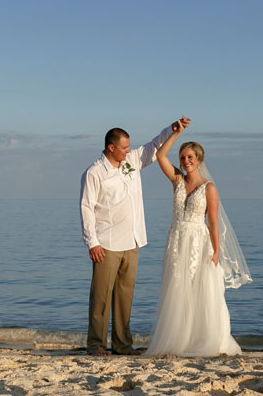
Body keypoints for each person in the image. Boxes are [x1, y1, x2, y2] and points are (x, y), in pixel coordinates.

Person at [80, 116, 189, 356]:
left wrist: (171, 130)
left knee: (124, 297)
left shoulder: (131, 161)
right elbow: (86, 208)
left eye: (129, 147)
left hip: (132, 240)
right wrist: (92, 242)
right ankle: (96, 345)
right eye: (124, 147)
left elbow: (152, 147)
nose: (128, 150)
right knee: (101, 299)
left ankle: (122, 344)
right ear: (111, 148)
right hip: (106, 243)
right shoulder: (94, 173)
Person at [145, 126, 251, 357]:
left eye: (190, 157)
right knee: (176, 289)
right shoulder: (177, 180)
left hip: (197, 243)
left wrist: (216, 251)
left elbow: (213, 223)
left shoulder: (208, 188)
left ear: (199, 159)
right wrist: (176, 133)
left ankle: (203, 340)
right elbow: (160, 155)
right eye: (182, 158)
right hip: (176, 240)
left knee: (198, 291)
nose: (185, 161)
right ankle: (178, 341)